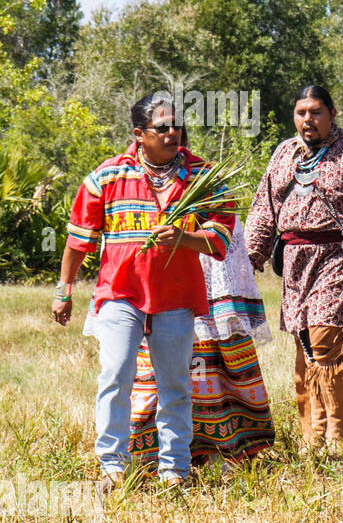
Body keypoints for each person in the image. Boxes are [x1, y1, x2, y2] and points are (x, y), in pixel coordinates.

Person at [53, 92, 236, 490]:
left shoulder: (202, 177)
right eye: (162, 127)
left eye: (178, 126)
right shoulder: (108, 176)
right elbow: (78, 239)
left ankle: (175, 471)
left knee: (175, 385)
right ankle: (112, 467)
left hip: (175, 298)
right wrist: (63, 289)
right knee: (115, 376)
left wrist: (184, 239)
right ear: (139, 134)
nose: (174, 133)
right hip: (119, 295)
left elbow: (221, 239)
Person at [244, 85, 343, 444]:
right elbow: (264, 208)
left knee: (323, 340)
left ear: (332, 115)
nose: (308, 119)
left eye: (316, 112)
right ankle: (313, 437)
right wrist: (251, 256)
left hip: (341, 257)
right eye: (301, 113)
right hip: (295, 264)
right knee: (306, 346)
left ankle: (337, 437)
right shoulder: (284, 154)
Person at [116, 126, 275, 469]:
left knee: (209, 373)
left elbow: (227, 246)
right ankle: (149, 455)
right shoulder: (134, 187)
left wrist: (220, 306)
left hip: (208, 306)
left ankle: (218, 448)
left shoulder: (207, 187)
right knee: (157, 376)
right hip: (158, 302)